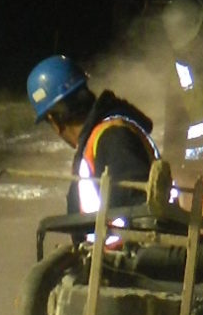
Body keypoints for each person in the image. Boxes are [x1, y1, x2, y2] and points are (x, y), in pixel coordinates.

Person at [25, 54, 158, 214]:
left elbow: (139, 210)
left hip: (125, 239)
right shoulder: (103, 138)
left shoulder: (112, 137)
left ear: (54, 121)